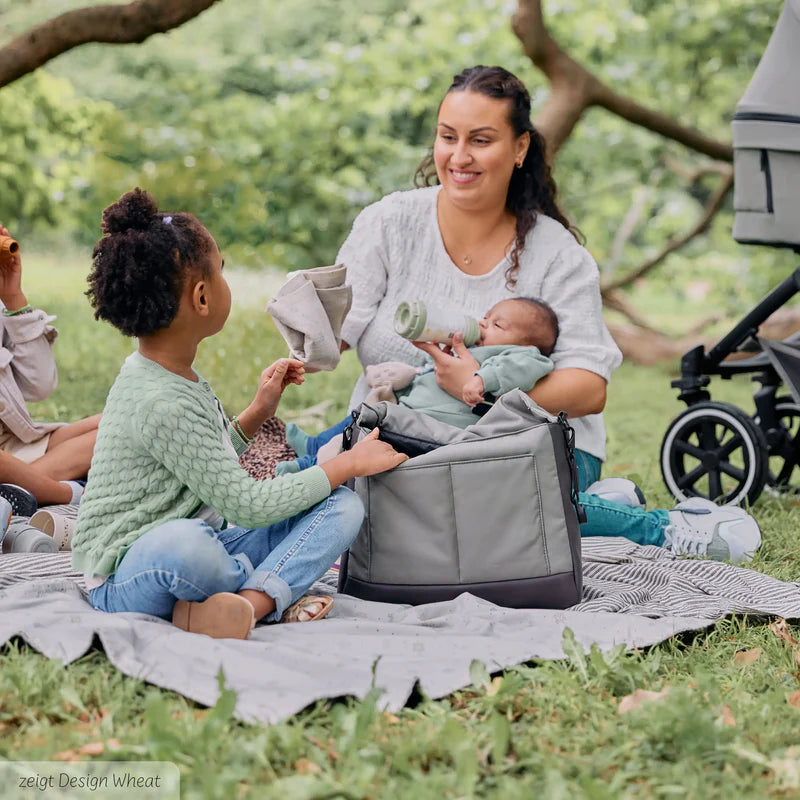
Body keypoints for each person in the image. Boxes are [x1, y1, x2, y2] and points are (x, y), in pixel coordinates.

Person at [325, 64, 761, 563]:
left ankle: (666, 529)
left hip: (532, 450)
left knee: (466, 504)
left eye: (481, 140)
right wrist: (306, 332)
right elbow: (333, 334)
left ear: (520, 148)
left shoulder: (557, 255)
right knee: (368, 504)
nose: (459, 156)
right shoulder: (389, 224)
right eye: (448, 137)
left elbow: (589, 388)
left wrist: (479, 390)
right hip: (404, 438)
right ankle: (597, 509)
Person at [71, 188, 407, 640]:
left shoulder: (171, 374)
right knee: (187, 547)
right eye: (222, 270)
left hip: (210, 544)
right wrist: (346, 464)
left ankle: (246, 605)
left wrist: (256, 412)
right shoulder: (159, 399)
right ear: (202, 298)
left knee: (342, 506)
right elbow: (245, 505)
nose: (226, 280)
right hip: (128, 576)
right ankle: (264, 586)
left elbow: (201, 460)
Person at [280, 296, 558, 472]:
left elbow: (518, 369)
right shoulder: (470, 348)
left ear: (527, 345)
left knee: (360, 440)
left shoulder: (521, 356)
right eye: (486, 317)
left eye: (498, 325)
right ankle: (313, 446)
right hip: (408, 411)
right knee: (359, 419)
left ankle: (307, 468)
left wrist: (481, 379)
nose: (483, 325)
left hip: (436, 429)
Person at [0, 225, 98, 513]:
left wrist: (13, 297)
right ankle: (66, 494)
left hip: (16, 445)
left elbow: (39, 385)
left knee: (121, 422)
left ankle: (20, 488)